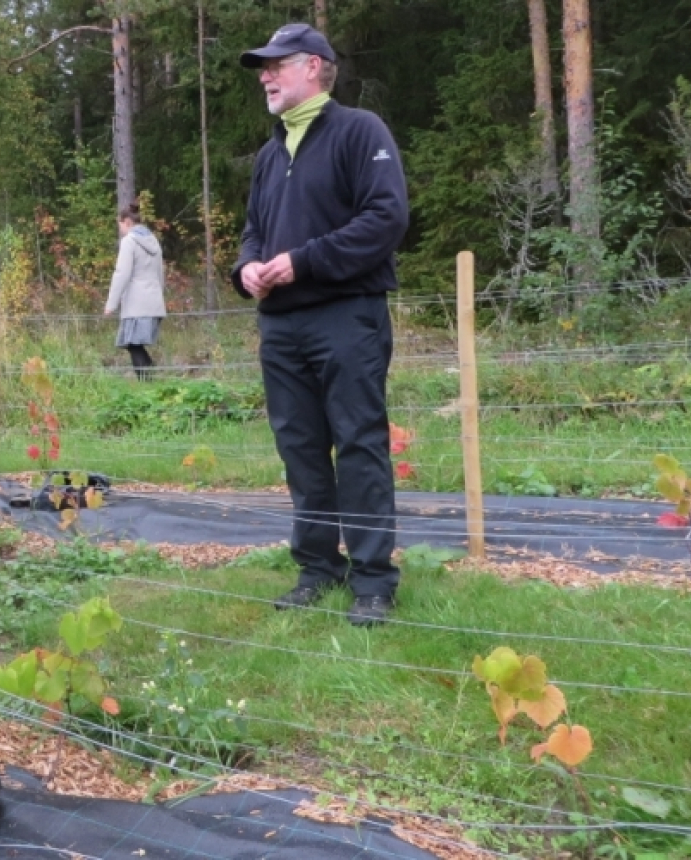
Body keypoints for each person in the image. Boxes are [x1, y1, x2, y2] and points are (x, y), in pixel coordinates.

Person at [232, 23, 410, 627]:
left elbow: (385, 218)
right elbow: (254, 231)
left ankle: (373, 582)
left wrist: (303, 261)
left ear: (313, 66)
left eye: (275, 65)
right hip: (281, 326)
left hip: (346, 315)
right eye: (263, 67)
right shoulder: (267, 153)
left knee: (359, 444)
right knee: (301, 450)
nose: (265, 75)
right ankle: (316, 568)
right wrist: (246, 268)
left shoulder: (361, 132)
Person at [103, 202, 167, 381]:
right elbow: (160, 274)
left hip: (136, 304)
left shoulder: (129, 241)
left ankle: (148, 384)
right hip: (153, 302)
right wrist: (159, 298)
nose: (121, 229)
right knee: (134, 344)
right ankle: (150, 381)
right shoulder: (153, 240)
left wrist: (111, 304)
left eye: (120, 225)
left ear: (127, 222)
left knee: (132, 344)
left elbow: (121, 274)